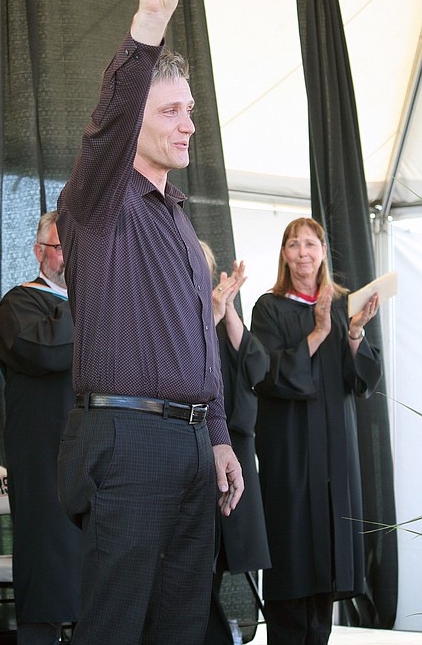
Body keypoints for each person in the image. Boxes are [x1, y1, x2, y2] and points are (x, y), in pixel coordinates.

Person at [56, 0, 244, 645]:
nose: (189, 123)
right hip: (128, 441)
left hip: (194, 449)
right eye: (170, 111)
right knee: (113, 629)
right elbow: (105, 126)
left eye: (190, 110)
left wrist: (219, 437)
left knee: (183, 630)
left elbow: (202, 344)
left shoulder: (178, 218)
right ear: (135, 118)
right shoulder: (100, 201)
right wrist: (149, 20)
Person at [250, 217, 382, 645]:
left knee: (327, 566)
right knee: (293, 562)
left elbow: (361, 381)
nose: (302, 253)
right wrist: (319, 332)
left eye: (311, 244)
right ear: (284, 254)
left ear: (324, 252)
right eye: (293, 244)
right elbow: (265, 374)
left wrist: (355, 332)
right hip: (289, 453)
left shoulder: (345, 305)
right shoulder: (269, 307)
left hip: (334, 456)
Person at [0, 211, 81, 645]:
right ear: (39, 252)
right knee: (46, 569)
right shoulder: (19, 303)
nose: (69, 257)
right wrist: (84, 298)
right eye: (62, 247)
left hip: (96, 457)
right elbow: (44, 352)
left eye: (77, 247)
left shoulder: (110, 308)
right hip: (43, 456)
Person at [199, 243, 271, 645]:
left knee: (228, 550)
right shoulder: (176, 310)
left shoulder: (224, 313)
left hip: (232, 449)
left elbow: (256, 367)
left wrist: (228, 311)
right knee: (194, 556)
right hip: (191, 446)